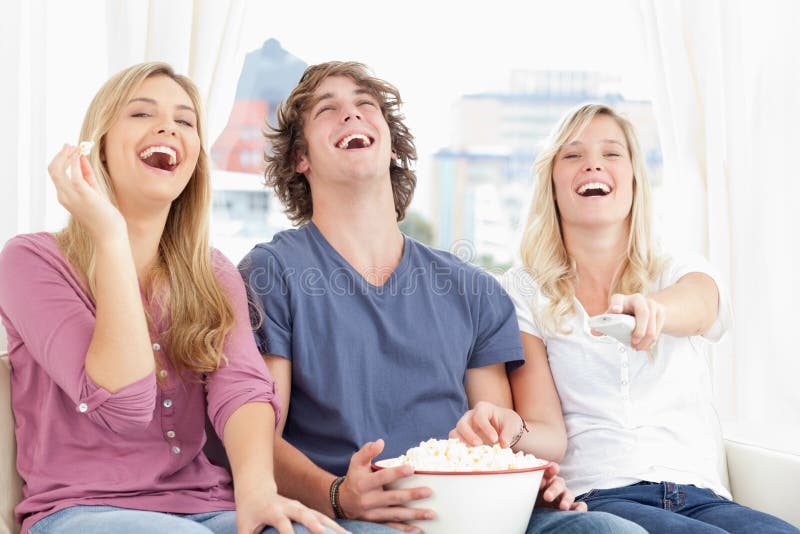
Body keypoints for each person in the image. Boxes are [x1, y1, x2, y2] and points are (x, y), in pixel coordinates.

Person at [239, 61, 644, 534]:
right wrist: (338, 496)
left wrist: (520, 478)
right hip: (350, 518)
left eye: (366, 106)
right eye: (328, 110)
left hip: (473, 511)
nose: (352, 115)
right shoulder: (270, 274)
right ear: (299, 159)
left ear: (390, 144)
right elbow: (256, 437)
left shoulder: (473, 290)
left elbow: (488, 438)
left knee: (611, 531)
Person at [0, 62, 345, 534]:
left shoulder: (212, 271)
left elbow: (242, 390)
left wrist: (258, 490)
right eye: (141, 113)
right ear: (96, 146)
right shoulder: (30, 261)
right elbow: (125, 407)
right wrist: (111, 235)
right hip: (81, 510)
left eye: (185, 121)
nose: (168, 126)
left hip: (207, 505)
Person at [454, 103, 799, 533]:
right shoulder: (525, 291)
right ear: (552, 182)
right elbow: (546, 432)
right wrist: (508, 434)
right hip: (601, 496)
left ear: (635, 177)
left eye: (612, 153)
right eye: (573, 155)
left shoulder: (672, 269)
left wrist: (656, 309)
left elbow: (705, 304)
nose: (593, 163)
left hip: (702, 495)